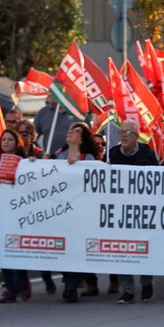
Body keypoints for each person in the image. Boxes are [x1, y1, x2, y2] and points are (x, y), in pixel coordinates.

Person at [105, 120, 160, 304]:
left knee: (143, 247)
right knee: (122, 249)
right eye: (122, 131)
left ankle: (146, 283)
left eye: (128, 132)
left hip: (142, 210)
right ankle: (127, 290)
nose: (124, 135)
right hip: (119, 210)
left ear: (137, 136)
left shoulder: (147, 153)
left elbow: (157, 179)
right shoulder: (112, 153)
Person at [58, 123, 103, 301]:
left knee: (76, 250)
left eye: (76, 131)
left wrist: (78, 166)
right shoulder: (58, 155)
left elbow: (94, 181)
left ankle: (71, 287)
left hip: (80, 213)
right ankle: (73, 281)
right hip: (61, 212)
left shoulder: (88, 158)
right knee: (64, 250)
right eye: (69, 130)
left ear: (82, 138)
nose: (70, 133)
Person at [0, 130, 33, 303]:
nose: (6, 142)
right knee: (3, 252)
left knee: (16, 251)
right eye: (3, 140)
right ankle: (10, 289)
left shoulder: (25, 162)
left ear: (17, 143)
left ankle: (23, 282)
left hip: (17, 215)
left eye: (10, 139)